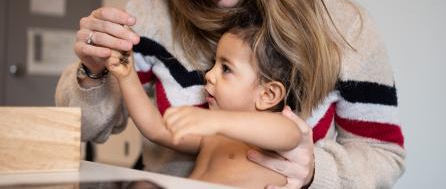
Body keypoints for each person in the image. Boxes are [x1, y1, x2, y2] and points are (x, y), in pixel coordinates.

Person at [55, 0, 406, 187]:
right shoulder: (150, 13)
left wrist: (315, 172)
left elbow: (381, 154)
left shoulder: (346, 29)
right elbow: (88, 130)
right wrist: (98, 70)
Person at [106, 12, 304, 188]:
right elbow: (156, 129)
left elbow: (291, 134)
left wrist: (214, 121)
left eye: (226, 69)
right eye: (214, 65)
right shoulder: (212, 136)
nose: (209, 75)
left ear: (267, 95)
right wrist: (127, 75)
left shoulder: (276, 132)